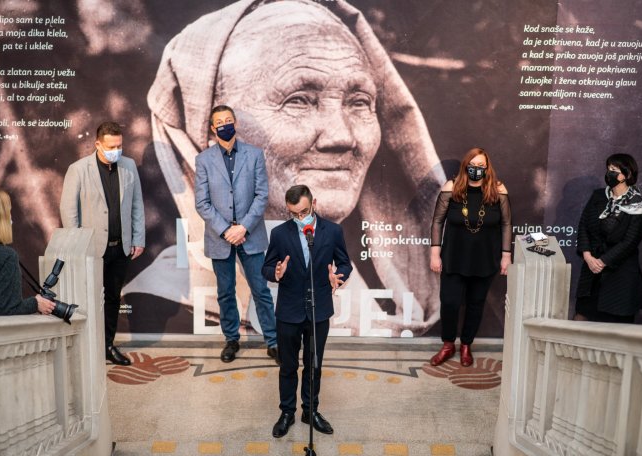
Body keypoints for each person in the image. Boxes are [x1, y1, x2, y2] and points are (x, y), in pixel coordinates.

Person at [138, 0, 446, 335]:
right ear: (213, 131)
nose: (342, 136)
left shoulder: (382, 296)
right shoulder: (161, 306)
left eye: (359, 102)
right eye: (298, 100)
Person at [262, 185, 352, 438]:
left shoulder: (332, 231)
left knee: (313, 366)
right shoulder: (279, 234)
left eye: (303, 212)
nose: (299, 218)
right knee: (288, 366)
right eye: (293, 214)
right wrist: (276, 273)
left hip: (318, 310)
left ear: (314, 204)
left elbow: (344, 263)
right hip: (288, 312)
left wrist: (338, 277)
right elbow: (267, 267)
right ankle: (287, 412)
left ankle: (310, 411)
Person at [194, 105, 278, 363]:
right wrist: (226, 230)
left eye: (228, 120)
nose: (225, 125)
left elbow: (261, 195)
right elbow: (202, 203)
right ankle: (231, 339)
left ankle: (273, 341)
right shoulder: (204, 160)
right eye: (220, 122)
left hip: (250, 235)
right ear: (213, 128)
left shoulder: (254, 155)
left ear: (236, 123)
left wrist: (243, 227)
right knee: (225, 292)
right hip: (220, 238)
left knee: (261, 290)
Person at [59, 121, 145, 366]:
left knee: (113, 298)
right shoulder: (78, 169)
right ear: (97, 144)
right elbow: (68, 210)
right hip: (91, 249)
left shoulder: (128, 166)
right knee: (88, 298)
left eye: (119, 146)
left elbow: (137, 204)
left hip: (121, 247)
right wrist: (77, 244)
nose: (116, 151)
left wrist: (138, 238)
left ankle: (107, 345)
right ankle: (86, 347)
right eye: (111, 147)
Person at [429, 148, 511, 367]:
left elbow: (506, 223)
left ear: (487, 168)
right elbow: (437, 221)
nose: (477, 169)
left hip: (485, 258)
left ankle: (466, 345)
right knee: (450, 302)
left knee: (476, 304)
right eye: (473, 165)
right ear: (465, 166)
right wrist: (435, 253)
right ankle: (448, 345)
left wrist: (506, 256)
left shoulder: (498, 189)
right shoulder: (452, 187)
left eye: (481, 166)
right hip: (454, 257)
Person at [573, 153, 642, 323]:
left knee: (616, 327)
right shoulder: (598, 196)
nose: (609, 173)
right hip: (592, 272)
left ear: (627, 174)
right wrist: (588, 256)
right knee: (581, 317)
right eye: (608, 169)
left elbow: (630, 242)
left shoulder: (637, 205)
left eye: (614, 170)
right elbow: (584, 225)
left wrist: (602, 262)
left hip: (620, 276)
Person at [0, 189, 56, 316]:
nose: (11, 218)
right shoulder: (7, 257)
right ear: (2, 218)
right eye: (9, 212)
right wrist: (36, 303)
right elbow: (6, 308)